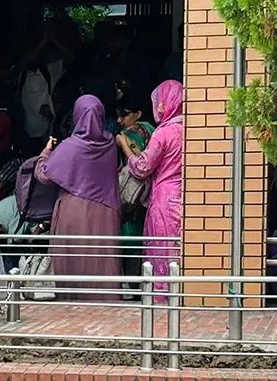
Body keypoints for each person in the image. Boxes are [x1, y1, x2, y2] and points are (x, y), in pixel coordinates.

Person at [35, 95, 123, 302]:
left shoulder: (72, 146)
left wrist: (45, 152)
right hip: (105, 211)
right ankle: (104, 302)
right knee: (101, 257)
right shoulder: (109, 144)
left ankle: (72, 303)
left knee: (73, 256)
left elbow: (44, 175)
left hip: (74, 209)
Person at [122, 80, 183, 294]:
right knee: (178, 251)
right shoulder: (191, 130)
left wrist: (125, 148)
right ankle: (180, 293)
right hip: (184, 196)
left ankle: (161, 295)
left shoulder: (163, 133)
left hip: (164, 200)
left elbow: (143, 167)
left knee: (161, 251)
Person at [115, 96, 155, 288]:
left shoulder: (126, 135)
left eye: (124, 115)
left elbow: (140, 163)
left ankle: (131, 284)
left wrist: (123, 143)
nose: (119, 120)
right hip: (153, 192)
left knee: (130, 237)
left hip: (132, 193)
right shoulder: (152, 131)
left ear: (138, 114)